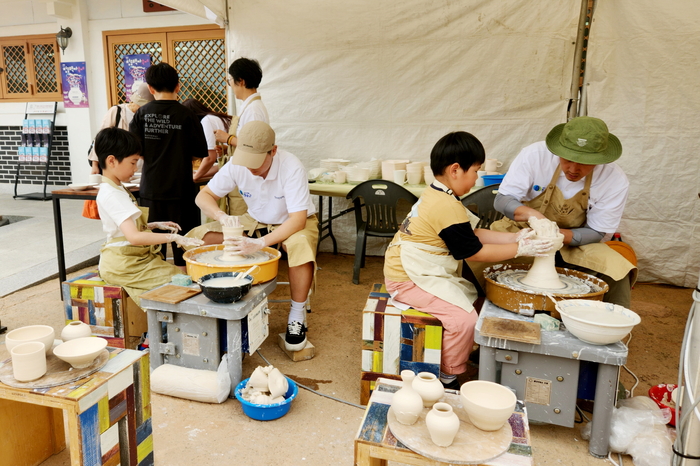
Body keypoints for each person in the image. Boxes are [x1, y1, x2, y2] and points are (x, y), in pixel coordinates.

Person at [383, 131, 553, 388]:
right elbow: (473, 252)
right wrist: (521, 249)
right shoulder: (443, 204)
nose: (477, 178)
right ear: (455, 170)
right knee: (464, 320)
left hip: (421, 270)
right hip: (406, 278)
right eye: (475, 171)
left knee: (477, 301)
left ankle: (467, 351)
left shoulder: (442, 194)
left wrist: (513, 238)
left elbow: (470, 233)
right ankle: (448, 377)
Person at [481, 116, 637, 308]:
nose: (573, 169)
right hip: (521, 231)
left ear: (600, 159)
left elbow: (598, 231)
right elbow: (503, 199)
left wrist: (555, 236)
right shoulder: (535, 156)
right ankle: (479, 314)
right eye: (568, 159)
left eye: (585, 163)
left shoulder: (614, 179)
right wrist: (534, 217)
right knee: (473, 259)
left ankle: (610, 328)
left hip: (574, 241)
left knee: (617, 269)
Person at [195, 121, 318, 352]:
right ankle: (220, 300)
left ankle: (297, 315)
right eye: (247, 160)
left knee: (300, 246)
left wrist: (260, 243)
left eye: (257, 162)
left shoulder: (292, 167)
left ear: (273, 150)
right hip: (256, 219)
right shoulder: (237, 163)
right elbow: (204, 196)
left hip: (292, 221)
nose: (250, 168)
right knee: (200, 238)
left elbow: (298, 219)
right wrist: (221, 216)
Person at [94, 127, 203, 306]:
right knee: (181, 283)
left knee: (180, 280)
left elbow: (124, 227)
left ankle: (158, 330)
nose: (136, 168)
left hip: (131, 259)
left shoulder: (116, 187)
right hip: (125, 264)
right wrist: (174, 237)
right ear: (112, 161)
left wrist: (154, 225)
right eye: (132, 162)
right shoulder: (111, 194)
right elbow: (134, 237)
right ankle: (157, 332)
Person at [129, 62, 208, 266]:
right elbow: (199, 153)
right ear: (178, 86)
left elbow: (135, 152)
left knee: (154, 254)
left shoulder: (141, 114)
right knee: (186, 252)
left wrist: (155, 156)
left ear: (151, 89)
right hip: (182, 191)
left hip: (151, 191)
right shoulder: (188, 115)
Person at [213, 57, 270, 216]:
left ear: (241, 81)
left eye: (229, 80)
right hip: (241, 172)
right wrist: (227, 150)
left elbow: (255, 146)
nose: (229, 84)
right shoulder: (249, 107)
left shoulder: (254, 110)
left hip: (248, 174)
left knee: (242, 222)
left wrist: (228, 139)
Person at [88, 82, 154, 174]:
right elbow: (101, 139)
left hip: (142, 169)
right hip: (118, 169)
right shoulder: (117, 111)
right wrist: (95, 165)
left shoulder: (150, 116)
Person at [181, 98, 232, 182]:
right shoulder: (214, 117)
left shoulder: (207, 121)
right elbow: (221, 165)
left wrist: (196, 176)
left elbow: (210, 158)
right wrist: (198, 173)